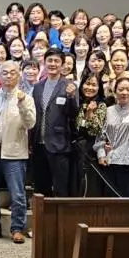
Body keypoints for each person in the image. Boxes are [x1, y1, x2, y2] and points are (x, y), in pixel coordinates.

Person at [0, 61, 36, 243]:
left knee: (17, 194)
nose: (8, 76)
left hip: (15, 153)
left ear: (18, 75)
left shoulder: (25, 98)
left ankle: (17, 228)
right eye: (5, 73)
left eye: (12, 73)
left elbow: (30, 124)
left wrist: (21, 105)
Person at [31, 49, 78, 197]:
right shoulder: (38, 87)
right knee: (40, 188)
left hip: (59, 145)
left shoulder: (69, 86)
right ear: (44, 63)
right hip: (38, 144)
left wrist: (71, 97)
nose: (53, 64)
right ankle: (42, 220)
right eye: (49, 60)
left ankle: (60, 220)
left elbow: (73, 114)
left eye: (57, 61)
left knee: (60, 189)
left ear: (62, 64)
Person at [97, 77, 129, 197]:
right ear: (115, 92)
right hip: (110, 161)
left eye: (128, 89)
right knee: (109, 201)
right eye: (121, 89)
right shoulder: (108, 110)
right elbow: (101, 135)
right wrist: (101, 154)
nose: (124, 92)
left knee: (126, 202)